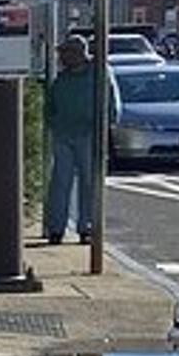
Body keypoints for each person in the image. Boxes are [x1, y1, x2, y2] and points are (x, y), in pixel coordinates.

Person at [43, 35, 120, 245]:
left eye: (66, 52)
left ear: (78, 53)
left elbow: (112, 102)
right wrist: (53, 121)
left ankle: (86, 227)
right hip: (63, 134)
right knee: (60, 182)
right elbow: (50, 103)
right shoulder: (62, 78)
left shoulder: (99, 74)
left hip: (89, 134)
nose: (62, 57)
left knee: (89, 182)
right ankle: (55, 228)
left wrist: (107, 124)